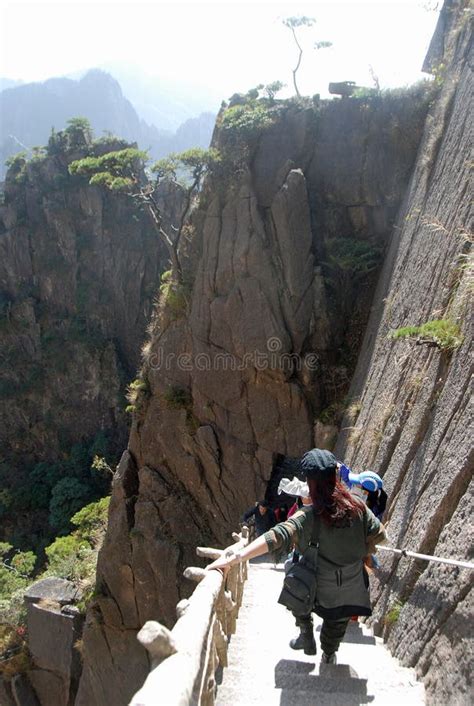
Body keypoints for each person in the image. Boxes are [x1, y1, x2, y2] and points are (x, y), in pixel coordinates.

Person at [207, 449, 386, 665]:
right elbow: (380, 536)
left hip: (315, 587)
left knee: (294, 580)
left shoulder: (307, 516)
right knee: (335, 626)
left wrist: (236, 557)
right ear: (335, 478)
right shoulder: (359, 510)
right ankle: (328, 653)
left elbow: (277, 535)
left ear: (310, 483)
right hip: (348, 589)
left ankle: (305, 632)